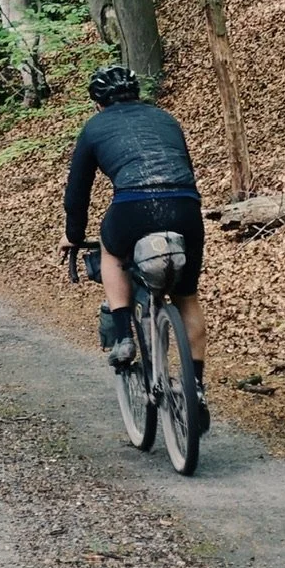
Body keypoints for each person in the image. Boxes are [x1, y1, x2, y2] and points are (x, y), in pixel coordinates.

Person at [59, 64, 208, 431]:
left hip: (133, 208)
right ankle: (197, 389)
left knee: (111, 253)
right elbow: (184, 166)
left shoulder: (95, 128)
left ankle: (125, 335)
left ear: (98, 104)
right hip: (185, 208)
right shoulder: (165, 119)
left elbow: (77, 192)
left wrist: (73, 235)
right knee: (187, 298)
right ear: (137, 94)